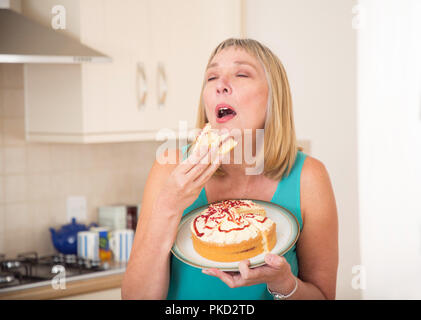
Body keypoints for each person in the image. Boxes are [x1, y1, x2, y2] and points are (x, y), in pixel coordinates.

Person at [121, 38, 338, 300]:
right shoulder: (170, 168)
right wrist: (168, 206)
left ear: (273, 96)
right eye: (212, 77)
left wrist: (283, 282)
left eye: (241, 73)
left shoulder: (309, 178)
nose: (220, 85)